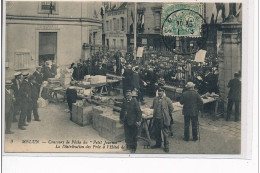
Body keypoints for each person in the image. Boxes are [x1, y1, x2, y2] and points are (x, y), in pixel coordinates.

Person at [151, 87, 173, 153]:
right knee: (157, 132)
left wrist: (166, 114)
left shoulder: (167, 100)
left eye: (161, 91)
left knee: (165, 133)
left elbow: (171, 108)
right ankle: (158, 144)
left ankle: (166, 146)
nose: (160, 92)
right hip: (156, 118)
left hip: (163, 119)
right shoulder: (155, 99)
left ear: (163, 92)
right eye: (159, 91)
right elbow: (153, 107)